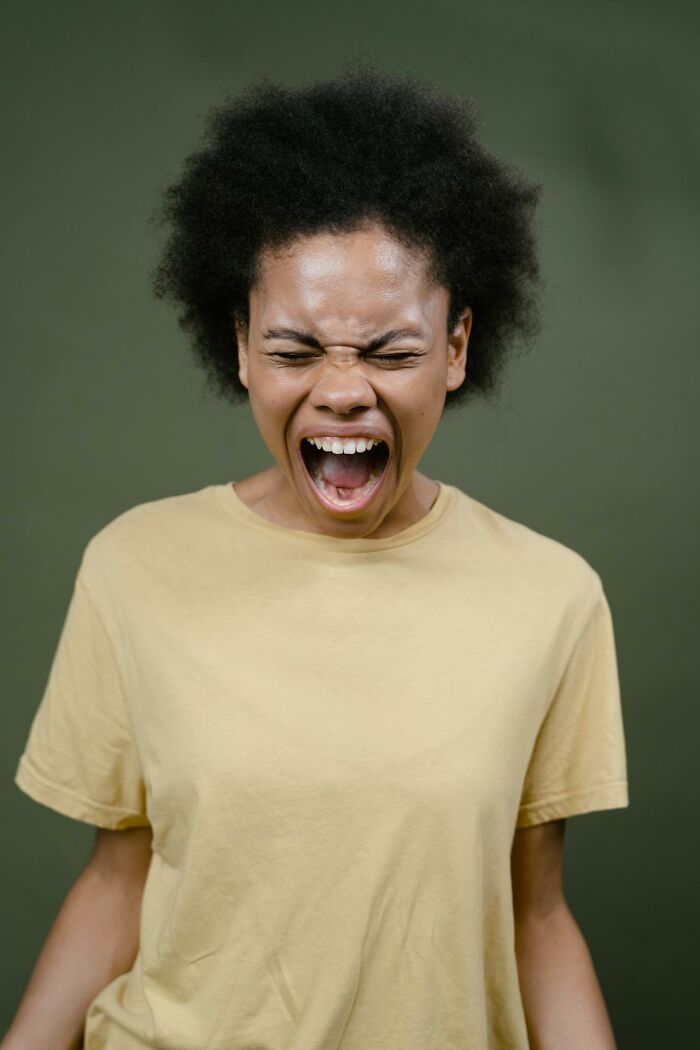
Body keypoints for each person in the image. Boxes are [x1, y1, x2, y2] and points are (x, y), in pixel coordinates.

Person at [5, 64, 630, 1050]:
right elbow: (117, 880)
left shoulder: (551, 597)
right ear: (242, 347)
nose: (342, 392)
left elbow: (537, 918)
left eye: (388, 351)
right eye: (297, 350)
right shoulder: (133, 565)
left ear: (457, 347)